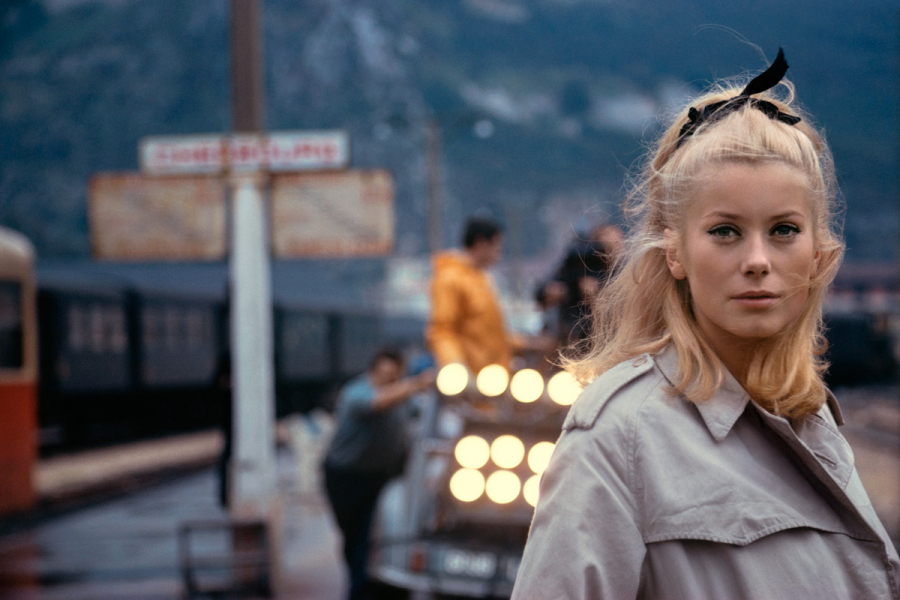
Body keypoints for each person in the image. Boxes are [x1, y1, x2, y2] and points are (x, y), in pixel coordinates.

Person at [512, 49, 899, 599]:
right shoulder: (619, 440)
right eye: (725, 231)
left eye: (785, 230)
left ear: (819, 254)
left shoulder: (812, 422)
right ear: (675, 254)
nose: (758, 260)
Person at [322, 348, 435, 600]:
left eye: (393, 377)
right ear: (372, 373)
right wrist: (416, 384)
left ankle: (362, 589)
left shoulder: (403, 399)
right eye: (383, 375)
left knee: (368, 536)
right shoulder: (356, 393)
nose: (388, 382)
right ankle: (357, 584)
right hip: (346, 476)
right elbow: (378, 403)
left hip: (379, 477)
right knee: (353, 536)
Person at [426, 217, 512, 373]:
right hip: (470, 383)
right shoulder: (450, 278)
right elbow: (442, 330)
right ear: (481, 243)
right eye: (497, 248)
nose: (498, 255)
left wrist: (529, 343)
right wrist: (456, 366)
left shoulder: (480, 279)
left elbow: (487, 333)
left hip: (491, 379)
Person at [536, 223, 624, 345]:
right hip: (569, 338)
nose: (608, 253)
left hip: (606, 344)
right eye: (602, 248)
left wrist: (595, 300)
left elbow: (621, 321)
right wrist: (552, 293)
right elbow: (542, 293)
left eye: (614, 245)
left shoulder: (624, 278)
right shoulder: (575, 267)